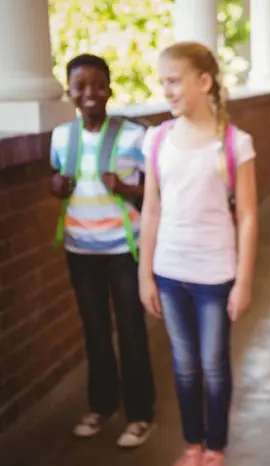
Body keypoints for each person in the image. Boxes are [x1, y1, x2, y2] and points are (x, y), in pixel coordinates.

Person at [138, 42, 258, 466]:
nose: (166, 91)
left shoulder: (234, 143)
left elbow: (246, 215)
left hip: (215, 274)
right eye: (162, 83)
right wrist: (144, 275)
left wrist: (243, 282)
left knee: (214, 365)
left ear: (203, 82)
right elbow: (150, 210)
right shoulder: (156, 140)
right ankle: (192, 445)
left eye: (173, 81)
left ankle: (216, 447)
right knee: (184, 366)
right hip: (169, 271)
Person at [49, 53, 156, 447]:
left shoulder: (134, 135)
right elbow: (58, 177)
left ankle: (141, 414)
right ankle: (101, 405)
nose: (90, 93)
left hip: (124, 248)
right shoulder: (62, 137)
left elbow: (155, 193)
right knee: (94, 331)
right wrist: (55, 187)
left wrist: (127, 188)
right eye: (80, 86)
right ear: (70, 92)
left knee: (130, 329)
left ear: (110, 89)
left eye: (98, 85)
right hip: (81, 248)